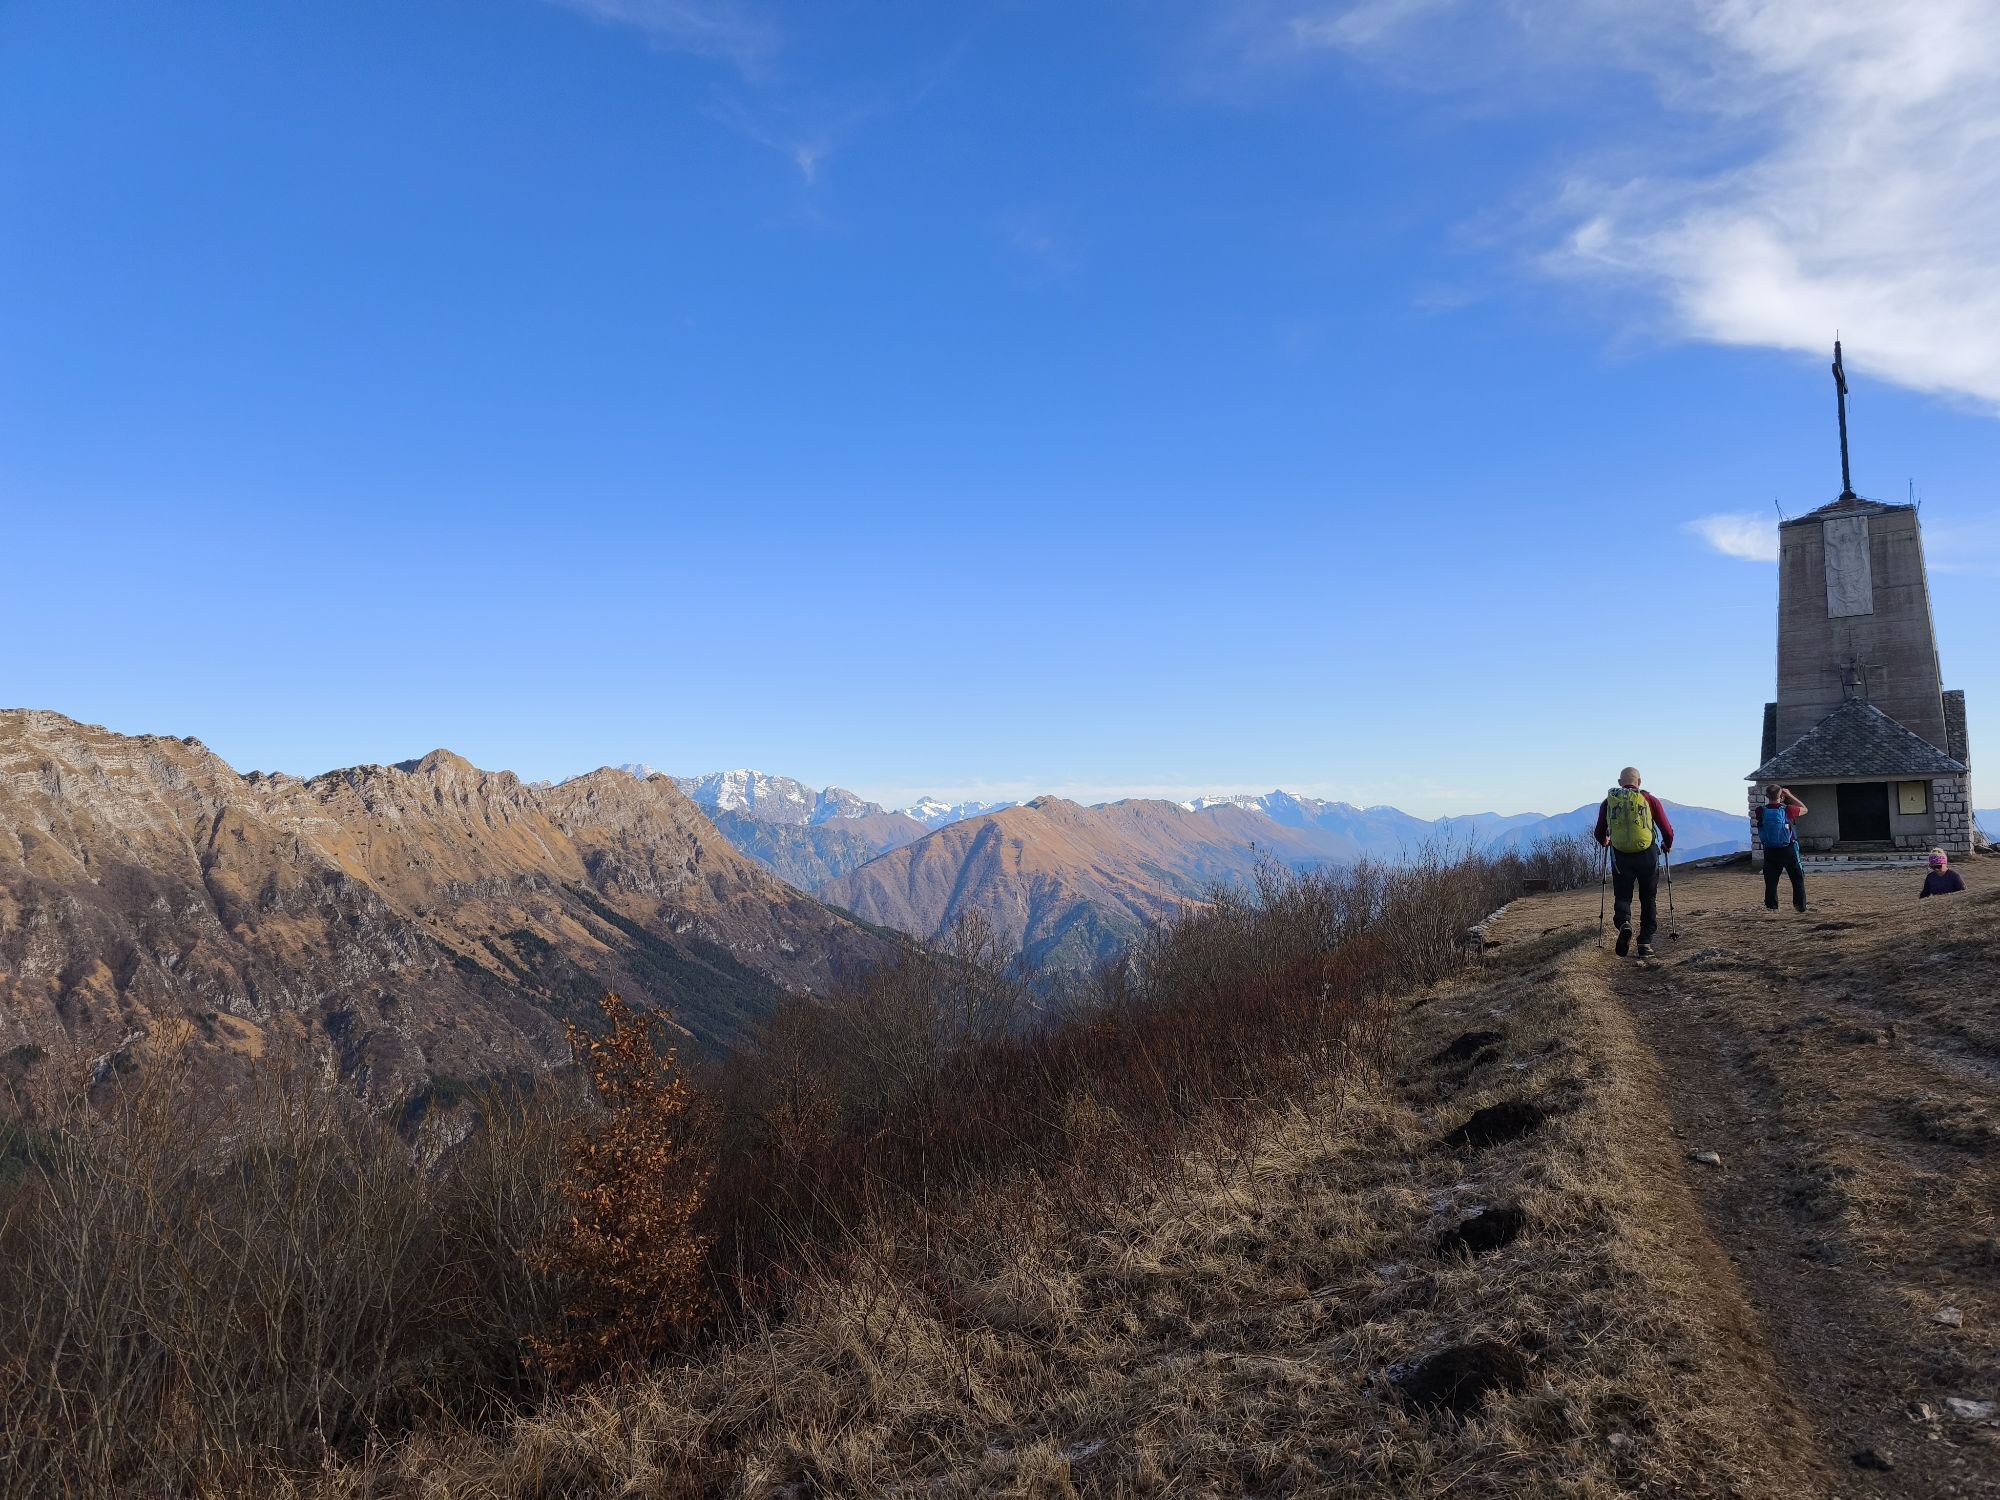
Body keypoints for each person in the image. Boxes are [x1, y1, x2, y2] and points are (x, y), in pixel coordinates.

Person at [1594, 767, 1675, 958]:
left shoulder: (1609, 802)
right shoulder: (1649, 800)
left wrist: (1605, 841)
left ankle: (1624, 923)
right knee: (1648, 898)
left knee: (1623, 896)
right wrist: (1666, 845)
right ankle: (1645, 943)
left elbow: (1599, 832)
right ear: (1639, 781)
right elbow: (1667, 830)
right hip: (1647, 855)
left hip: (1620, 856)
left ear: (1619, 782)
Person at [1756, 784, 1808, 913]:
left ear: (1767, 796)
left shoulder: (1760, 811)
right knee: (1797, 879)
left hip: (1770, 850)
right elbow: (1805, 809)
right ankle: (1800, 907)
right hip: (1788, 849)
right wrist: (1790, 795)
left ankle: (1772, 907)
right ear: (1781, 796)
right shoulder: (1788, 810)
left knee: (1771, 881)